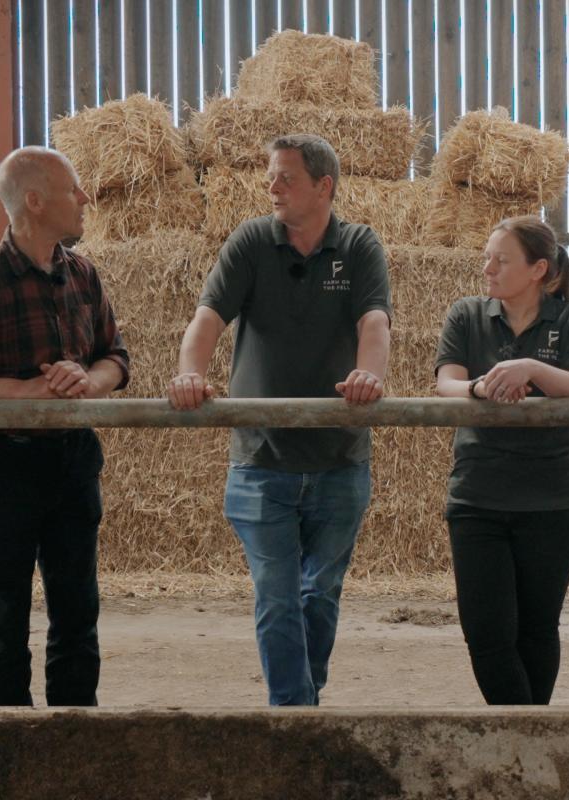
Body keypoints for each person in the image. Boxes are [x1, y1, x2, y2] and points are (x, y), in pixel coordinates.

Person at [167, 133, 391, 706]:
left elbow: (374, 324)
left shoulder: (360, 246)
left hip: (339, 459)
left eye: (285, 177)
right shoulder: (250, 242)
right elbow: (207, 319)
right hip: (261, 461)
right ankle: (294, 716)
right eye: (270, 176)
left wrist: (369, 375)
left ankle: (300, 701)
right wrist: (190, 372)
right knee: (277, 597)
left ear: (324, 187)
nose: (271, 187)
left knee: (321, 592)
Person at [0, 146, 130, 706]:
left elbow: (117, 358)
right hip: (3, 466)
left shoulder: (83, 274)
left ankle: (72, 747)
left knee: (78, 616)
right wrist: (31, 393)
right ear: (34, 202)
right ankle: (8, 760)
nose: (85, 199)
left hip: (72, 459)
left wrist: (87, 381)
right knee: (5, 625)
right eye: (73, 190)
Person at [434, 216, 569, 705]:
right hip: (478, 493)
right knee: (486, 632)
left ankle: (526, 733)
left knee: (537, 627)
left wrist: (529, 367)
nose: (487, 268)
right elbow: (446, 384)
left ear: (538, 269)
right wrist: (478, 387)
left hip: (555, 496)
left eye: (501, 260)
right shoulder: (466, 315)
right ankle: (526, 731)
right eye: (487, 257)